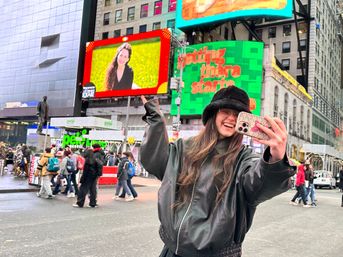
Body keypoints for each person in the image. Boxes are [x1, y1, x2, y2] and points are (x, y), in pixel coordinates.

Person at [139, 86, 296, 257]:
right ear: (214, 114)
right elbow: (155, 162)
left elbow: (259, 183)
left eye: (238, 115)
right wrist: (156, 121)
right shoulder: (184, 148)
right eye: (226, 111)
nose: (231, 118)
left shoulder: (244, 159)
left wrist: (276, 158)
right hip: (172, 251)